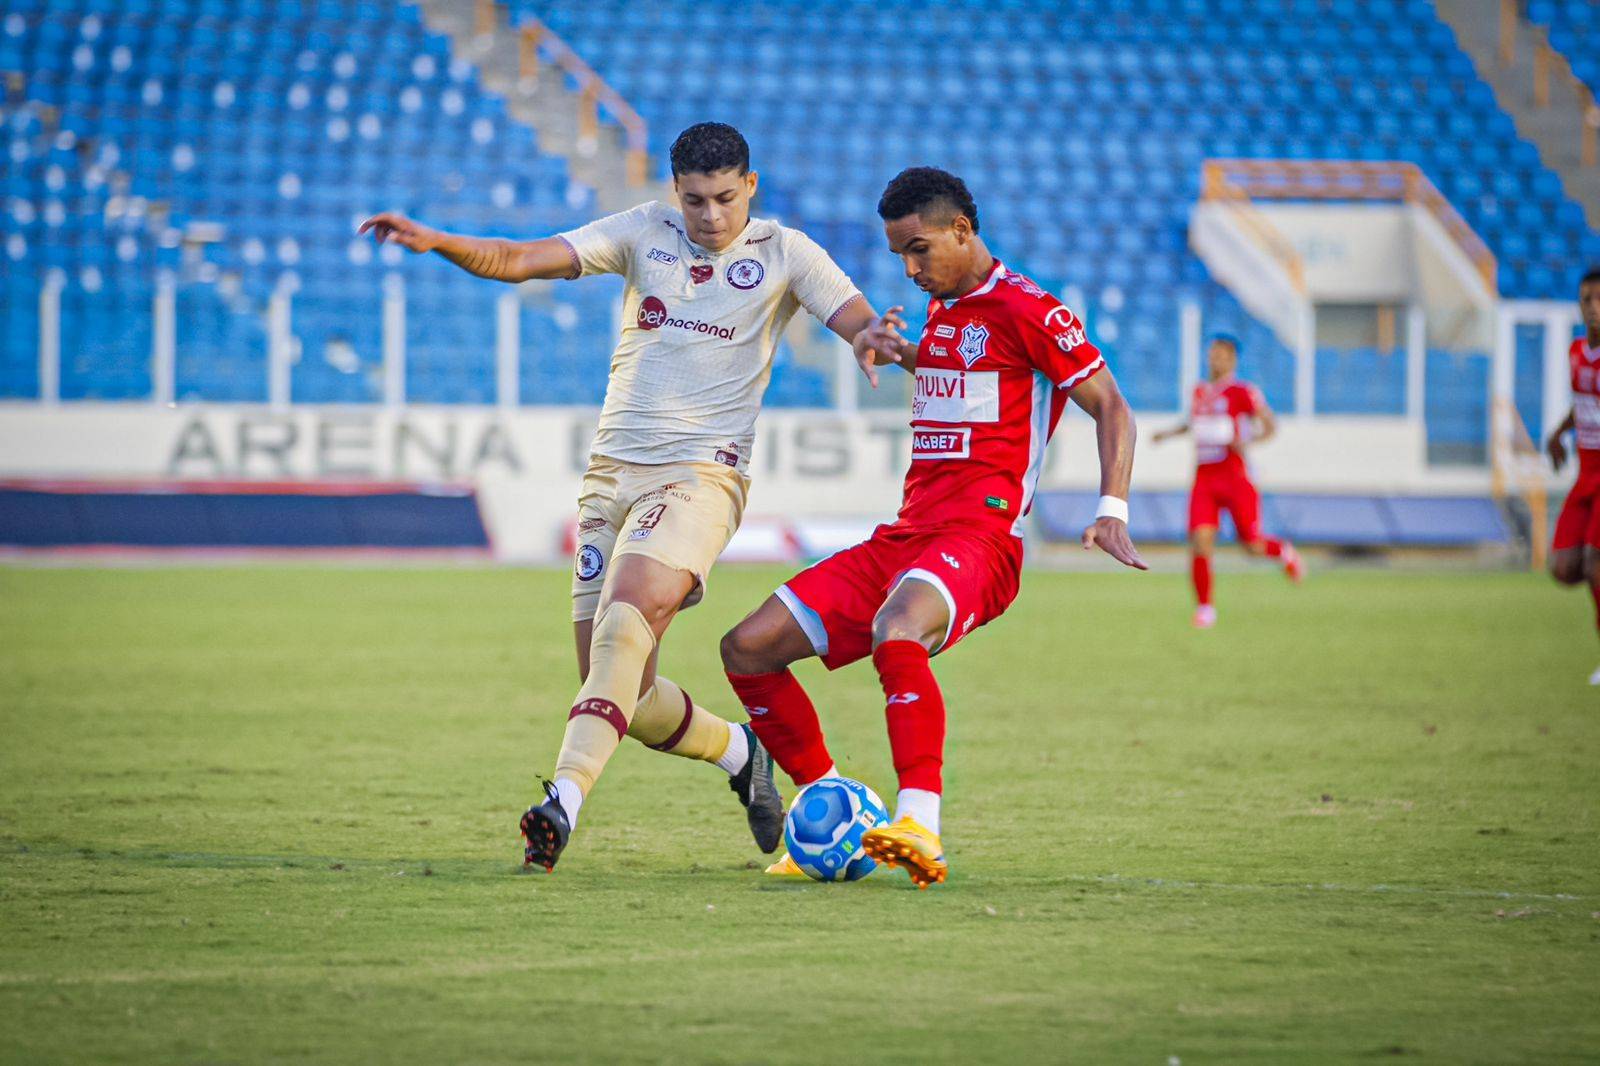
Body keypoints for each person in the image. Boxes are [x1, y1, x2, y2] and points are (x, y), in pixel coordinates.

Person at [360, 122, 910, 870]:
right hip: (610, 479)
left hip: (700, 476)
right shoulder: (642, 233)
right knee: (625, 690)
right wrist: (439, 241)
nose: (711, 216)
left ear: (750, 186)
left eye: (724, 198)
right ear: (673, 193)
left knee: (625, 625)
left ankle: (563, 801)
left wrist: (869, 335)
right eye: (694, 201)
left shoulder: (786, 252)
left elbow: (851, 316)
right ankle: (740, 751)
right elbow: (522, 259)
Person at [717, 167, 1144, 889]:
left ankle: (919, 822)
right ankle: (831, 808)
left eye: (919, 250)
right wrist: (896, 350)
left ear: (962, 231)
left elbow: (1112, 405)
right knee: (748, 648)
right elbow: (967, 376)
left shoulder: (1032, 310)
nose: (911, 271)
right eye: (899, 258)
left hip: (981, 540)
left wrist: (1113, 509)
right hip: (907, 535)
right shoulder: (945, 310)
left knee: (897, 628)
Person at [1152, 334, 1302, 628]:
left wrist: (1248, 441)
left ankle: (1283, 552)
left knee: (1252, 545)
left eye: (1221, 354)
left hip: (1234, 475)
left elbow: (1270, 425)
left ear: (1232, 359)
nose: (1215, 359)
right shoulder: (1199, 391)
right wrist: (1166, 435)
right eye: (1212, 353)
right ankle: (1205, 607)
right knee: (1200, 541)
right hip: (1204, 477)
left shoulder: (1242, 392)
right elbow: (1192, 423)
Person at [1545, 268, 1600, 685]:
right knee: (1564, 567)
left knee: (1596, 566)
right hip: (1586, 476)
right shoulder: (1576, 352)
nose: (1593, 308)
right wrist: (1560, 433)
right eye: (1586, 300)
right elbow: (1582, 403)